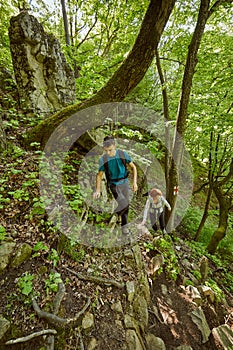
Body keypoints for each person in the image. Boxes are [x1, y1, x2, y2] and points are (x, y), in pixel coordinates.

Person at [93, 135, 138, 234]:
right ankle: (112, 216)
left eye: (110, 150)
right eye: (106, 151)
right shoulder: (103, 159)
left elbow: (134, 167)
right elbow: (99, 175)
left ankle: (124, 227)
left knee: (126, 205)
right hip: (113, 184)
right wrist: (98, 190)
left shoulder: (122, 154)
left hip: (125, 183)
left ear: (114, 146)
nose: (108, 153)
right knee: (124, 203)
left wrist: (134, 182)